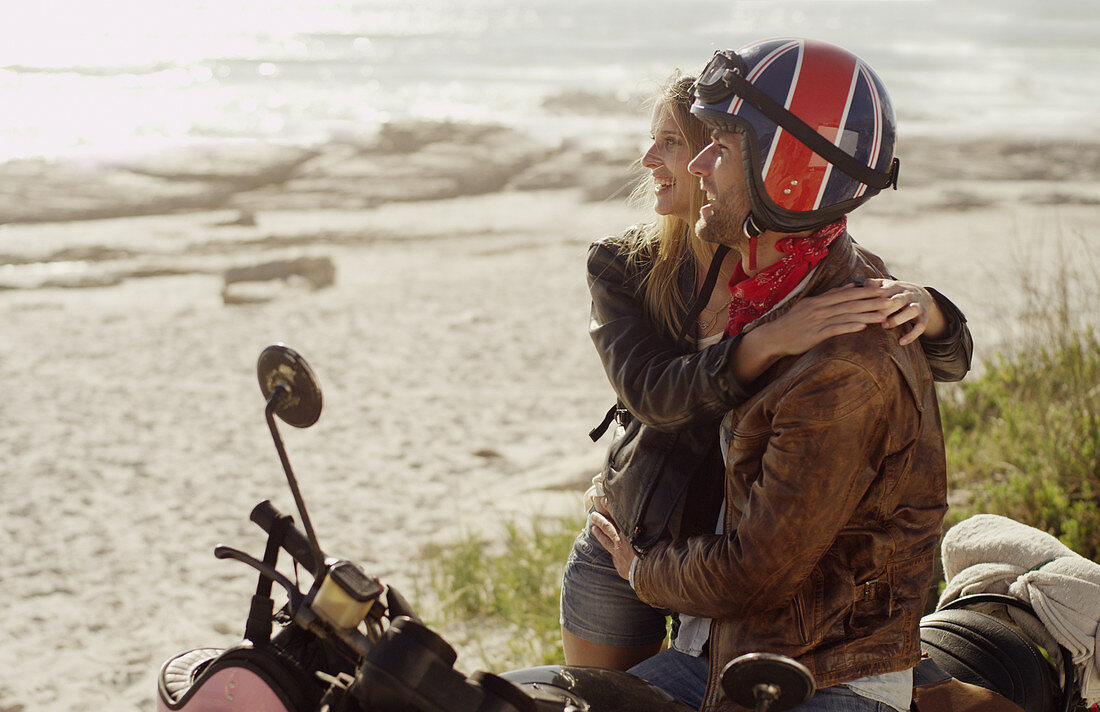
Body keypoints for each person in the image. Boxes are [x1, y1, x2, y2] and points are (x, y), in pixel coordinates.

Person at [563, 60, 971, 675]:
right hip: (635, 531)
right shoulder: (627, 267)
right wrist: (762, 344)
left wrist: (930, 308)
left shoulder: (792, 265)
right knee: (595, 690)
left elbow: (929, 357)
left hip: (733, 554)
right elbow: (653, 394)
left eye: (676, 142)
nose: (651, 158)